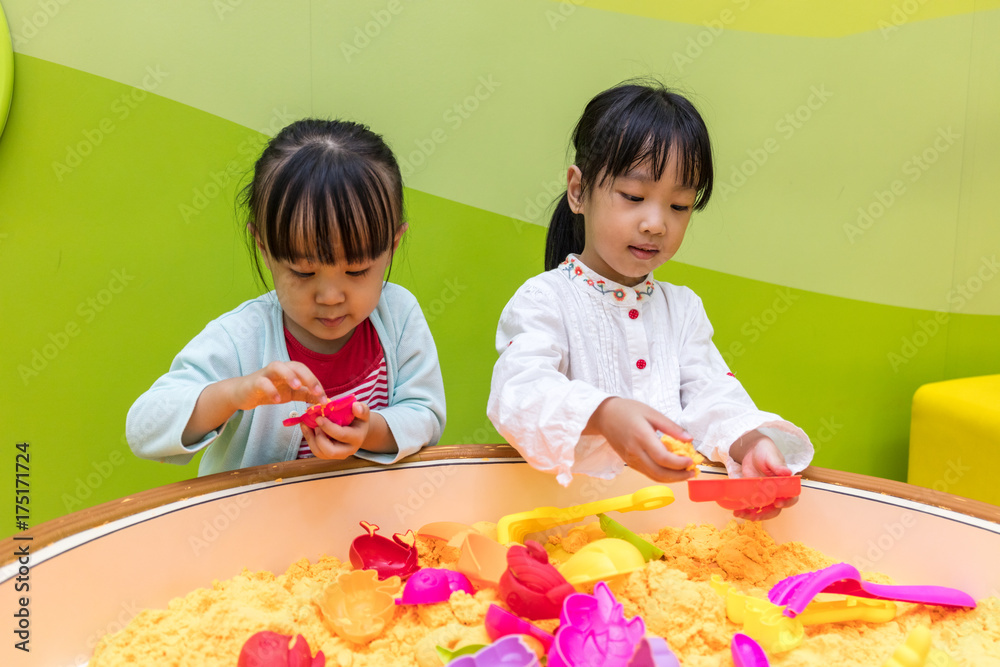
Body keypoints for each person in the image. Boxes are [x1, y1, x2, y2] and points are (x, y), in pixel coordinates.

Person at [487, 82, 812, 519]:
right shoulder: (545, 300)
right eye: (634, 197)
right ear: (579, 191)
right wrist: (602, 414)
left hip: (667, 529)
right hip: (568, 525)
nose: (656, 223)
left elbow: (712, 395)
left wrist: (749, 444)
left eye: (679, 206)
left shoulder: (682, 310)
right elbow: (518, 394)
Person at [128, 119, 446, 475]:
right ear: (265, 249)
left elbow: (425, 414)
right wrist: (234, 394)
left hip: (366, 518)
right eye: (303, 272)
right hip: (257, 524)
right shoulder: (241, 339)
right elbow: (144, 428)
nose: (329, 297)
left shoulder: (398, 315)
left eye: (356, 271)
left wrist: (368, 431)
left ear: (392, 246)